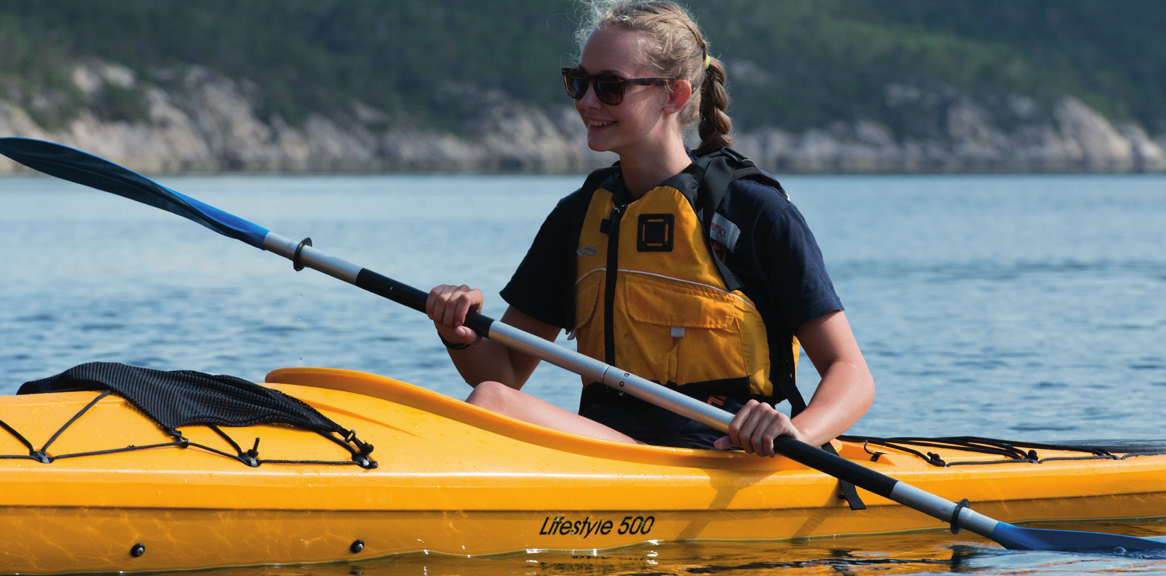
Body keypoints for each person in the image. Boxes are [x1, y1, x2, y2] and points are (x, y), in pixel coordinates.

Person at [427, 0, 873, 457]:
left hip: (722, 458)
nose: (586, 101)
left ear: (674, 95)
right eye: (578, 82)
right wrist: (458, 334)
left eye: (610, 87)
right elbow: (504, 374)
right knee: (493, 399)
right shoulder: (577, 217)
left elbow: (851, 373)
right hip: (612, 450)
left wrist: (798, 434)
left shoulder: (753, 212)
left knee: (492, 404)